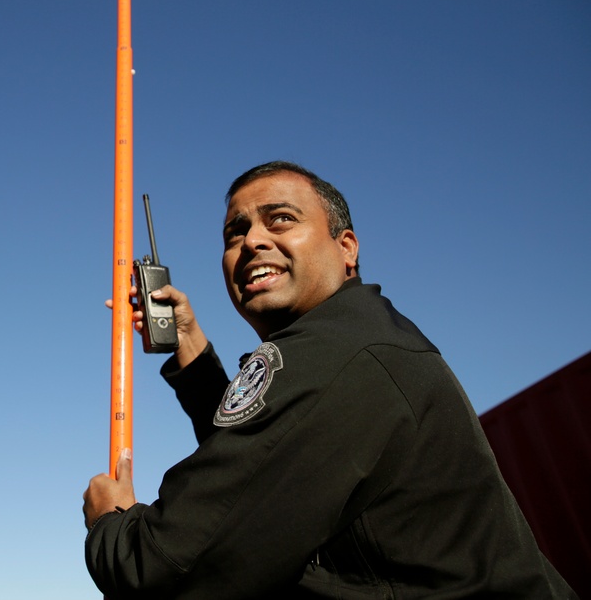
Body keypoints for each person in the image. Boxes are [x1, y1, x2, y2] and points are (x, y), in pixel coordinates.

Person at [83, 161, 575, 598]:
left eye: (281, 219)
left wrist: (112, 522)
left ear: (347, 248)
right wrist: (187, 341)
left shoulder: (336, 355)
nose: (251, 240)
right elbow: (260, 471)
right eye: (235, 232)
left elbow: (163, 568)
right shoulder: (352, 338)